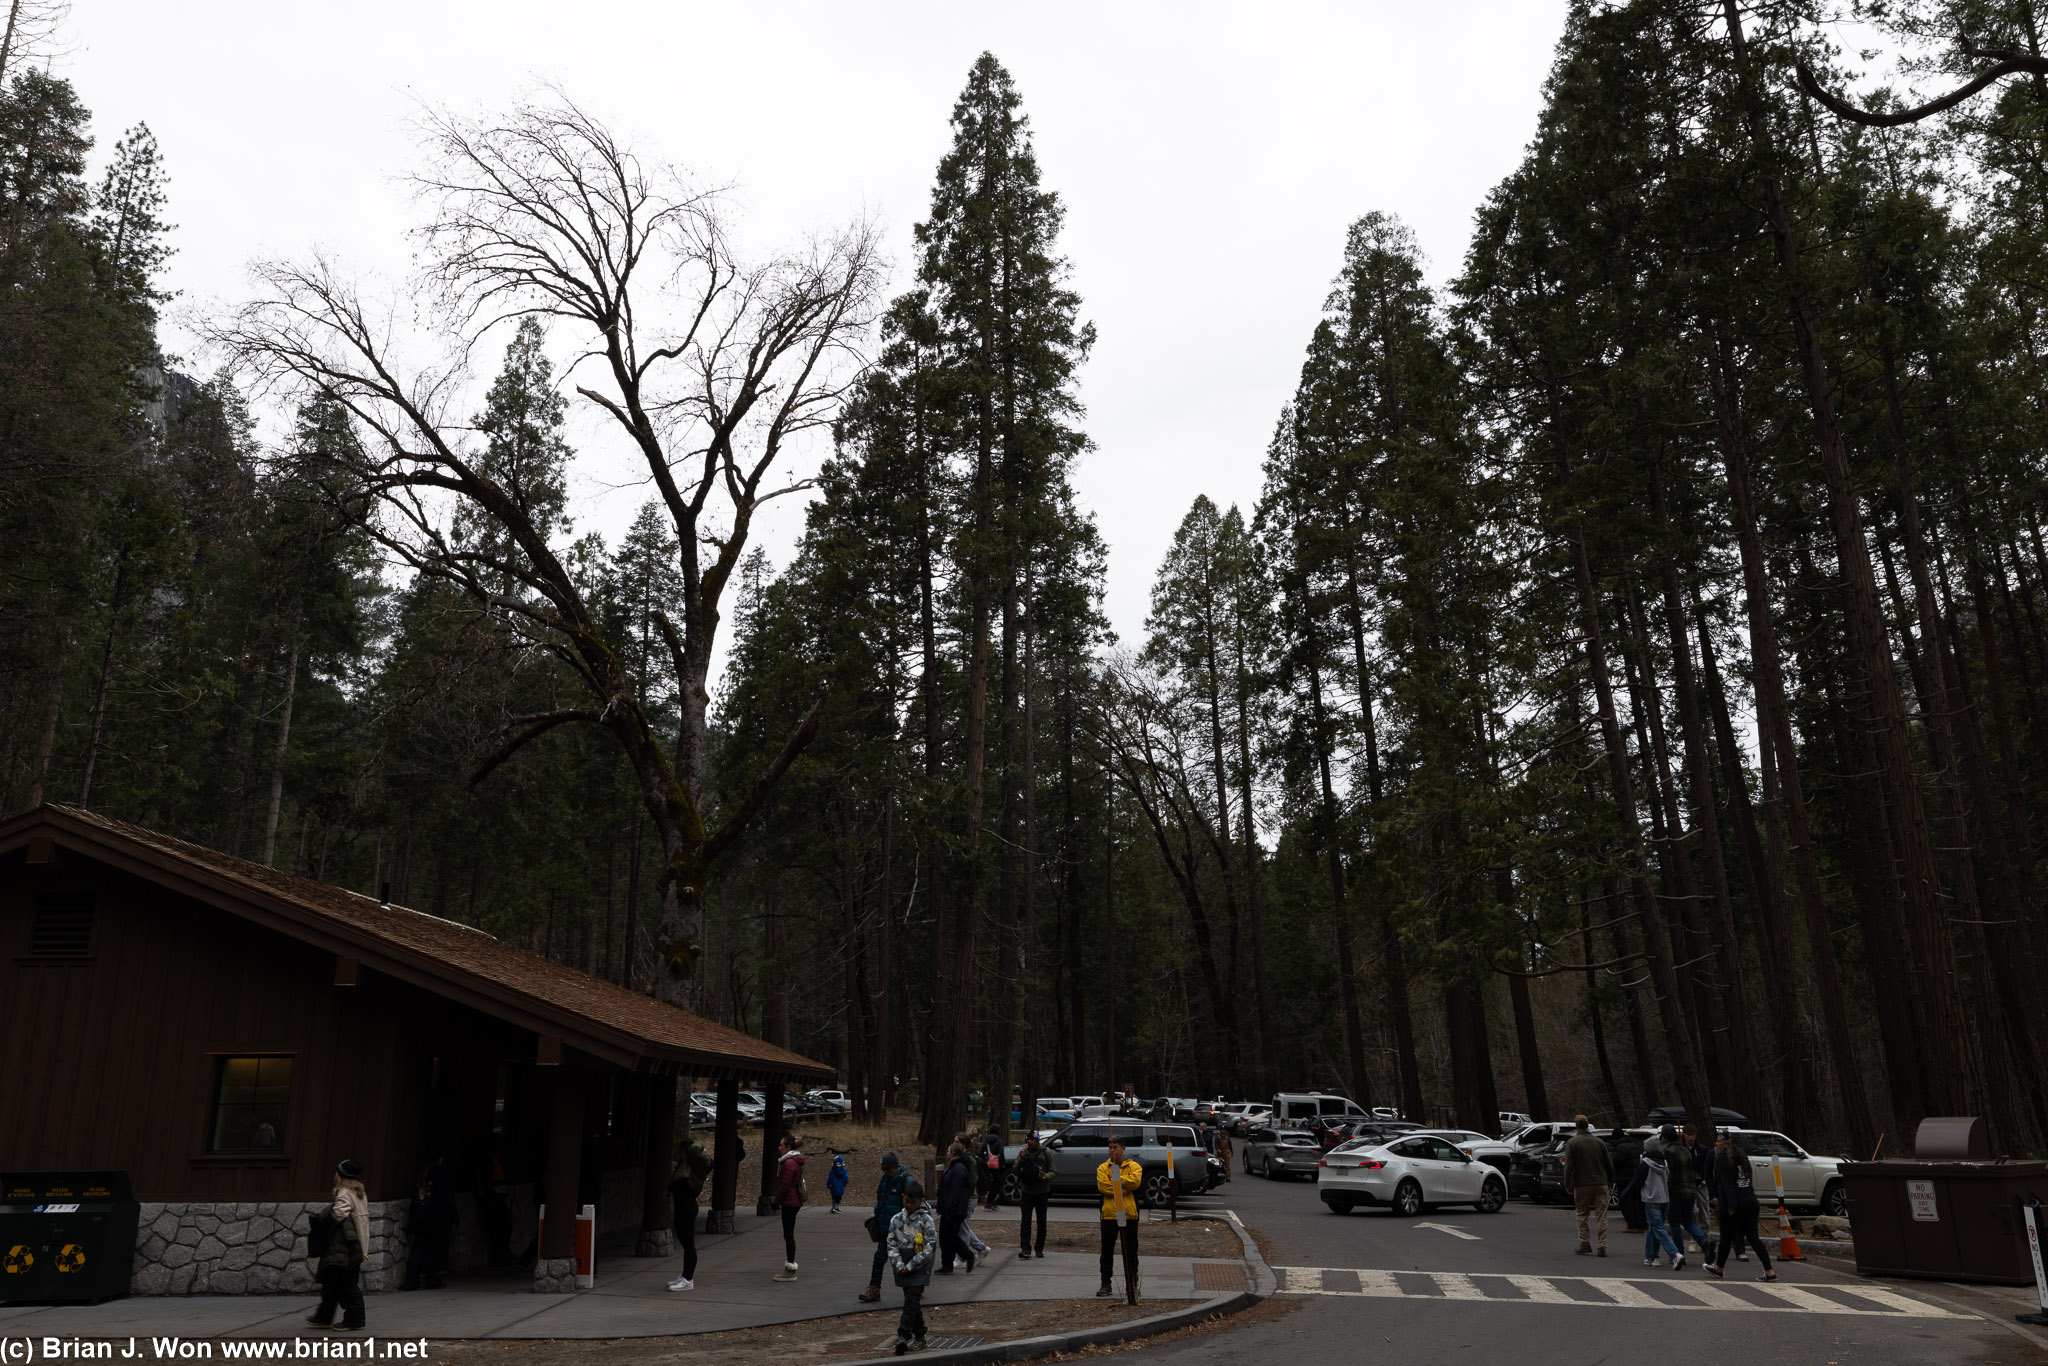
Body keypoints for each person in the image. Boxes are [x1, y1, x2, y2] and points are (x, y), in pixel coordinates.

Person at [307, 1159, 371, 1331]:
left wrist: (324, 1218)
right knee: (333, 1283)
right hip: (357, 1244)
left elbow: (340, 1213)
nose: (334, 1175)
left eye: (336, 1172)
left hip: (346, 1248)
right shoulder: (359, 1192)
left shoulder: (344, 1192)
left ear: (341, 1175)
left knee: (345, 1284)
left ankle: (355, 1320)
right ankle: (324, 1316)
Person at [1708, 1134, 1774, 1280]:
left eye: (1719, 1141)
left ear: (1725, 1144)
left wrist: (1730, 1207)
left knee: (1725, 1237)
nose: (1716, 1143)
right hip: (1750, 1201)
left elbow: (1728, 1185)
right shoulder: (1743, 1159)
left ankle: (1719, 1268)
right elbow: (1748, 1181)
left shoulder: (1723, 1160)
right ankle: (1769, 1271)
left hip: (1735, 1204)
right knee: (1753, 1237)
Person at [887, 1178, 938, 1355]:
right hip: (902, 1266)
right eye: (906, 1201)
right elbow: (891, 1243)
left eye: (913, 1202)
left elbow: (930, 1247)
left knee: (911, 1300)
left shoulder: (926, 1221)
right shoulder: (896, 1220)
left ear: (921, 1201)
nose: (909, 1205)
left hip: (920, 1267)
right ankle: (920, 1334)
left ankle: (902, 1335)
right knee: (912, 1302)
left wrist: (911, 1265)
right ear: (902, 1197)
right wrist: (900, 1264)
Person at [400, 1151, 456, 1291]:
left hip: (419, 1217)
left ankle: (411, 1282)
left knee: (417, 1250)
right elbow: (446, 1197)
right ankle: (433, 1280)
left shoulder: (419, 1175)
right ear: (440, 1159)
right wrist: (453, 1216)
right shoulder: (439, 1174)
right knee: (434, 1249)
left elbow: (414, 1198)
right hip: (435, 1218)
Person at [861, 1150, 910, 1303]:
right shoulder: (884, 1180)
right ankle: (874, 1289)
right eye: (883, 1169)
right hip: (884, 1228)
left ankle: (914, 1288)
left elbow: (913, 1202)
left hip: (900, 1229)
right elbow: (880, 1197)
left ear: (895, 1167)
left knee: (904, 1260)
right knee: (879, 1258)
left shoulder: (905, 1181)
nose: (885, 1172)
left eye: (888, 1169)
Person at [1561, 1116, 1613, 1258]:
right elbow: (1608, 1162)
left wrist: (1567, 1183)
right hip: (1600, 1182)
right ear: (1588, 1126)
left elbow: (1569, 1165)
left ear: (1576, 1126)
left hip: (1582, 1183)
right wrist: (1611, 1179)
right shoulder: (1599, 1142)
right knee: (1602, 1214)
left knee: (1582, 1214)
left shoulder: (1572, 1143)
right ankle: (1602, 1245)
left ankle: (1585, 1242)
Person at [1096, 1137, 1142, 1299]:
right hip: (1109, 1215)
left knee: (1131, 1252)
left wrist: (1116, 1181)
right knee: (1106, 1251)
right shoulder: (1103, 1168)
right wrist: (1123, 1187)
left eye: (1115, 1147)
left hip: (1129, 1215)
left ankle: (1132, 1283)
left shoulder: (1134, 1166)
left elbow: (1135, 1182)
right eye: (1109, 1148)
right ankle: (1105, 1283)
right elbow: (1103, 1187)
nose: (1112, 1150)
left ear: (1123, 1148)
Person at [667, 1136, 710, 1292]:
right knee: (685, 1243)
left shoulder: (694, 1164)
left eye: (681, 1151)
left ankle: (688, 1279)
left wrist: (690, 1147)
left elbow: (694, 1150)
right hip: (682, 1207)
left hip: (688, 1207)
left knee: (689, 1244)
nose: (679, 1154)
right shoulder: (684, 1165)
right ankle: (685, 1275)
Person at [1664, 1124, 1710, 1257]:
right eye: (1688, 1134)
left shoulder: (1670, 1152)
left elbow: (1669, 1173)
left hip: (1679, 1190)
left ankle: (1679, 1252)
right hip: (1690, 1188)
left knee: (1675, 1222)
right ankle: (1703, 1241)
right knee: (1689, 1219)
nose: (1690, 1137)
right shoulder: (1685, 1150)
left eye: (1692, 1135)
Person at [1638, 1139, 1684, 1269]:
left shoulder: (1646, 1163)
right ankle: (1652, 1256)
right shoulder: (1665, 1162)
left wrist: (1625, 1194)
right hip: (1665, 1198)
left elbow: (1637, 1180)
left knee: (1658, 1228)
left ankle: (1674, 1254)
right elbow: (1668, 1181)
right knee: (1654, 1227)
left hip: (1651, 1199)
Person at [936, 1141, 977, 1274]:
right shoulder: (954, 1167)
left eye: (948, 1151)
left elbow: (955, 1191)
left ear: (953, 1153)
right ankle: (947, 1264)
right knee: (945, 1237)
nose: (946, 1153)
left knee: (951, 1236)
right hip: (949, 1208)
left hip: (954, 1210)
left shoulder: (959, 1168)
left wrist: (949, 1208)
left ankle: (968, 1256)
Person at [772, 1132, 805, 1281]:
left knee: (788, 1234)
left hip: (790, 1202)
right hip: (793, 1201)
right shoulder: (793, 1161)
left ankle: (790, 1268)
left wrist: (776, 1202)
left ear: (788, 1147)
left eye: (781, 1145)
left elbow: (784, 1185)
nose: (779, 1148)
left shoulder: (790, 1163)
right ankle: (790, 1266)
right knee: (788, 1234)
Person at [1015, 1132, 1052, 1258]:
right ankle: (1025, 1248)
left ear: (1037, 1141)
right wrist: (1020, 1159)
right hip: (1027, 1192)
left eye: (1032, 1140)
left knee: (1041, 1222)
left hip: (1042, 1192)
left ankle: (1039, 1248)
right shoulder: (1023, 1152)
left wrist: (1045, 1176)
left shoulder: (1046, 1153)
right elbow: (1015, 1170)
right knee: (1026, 1221)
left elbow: (1054, 1171)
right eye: (1028, 1139)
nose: (1029, 1142)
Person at [1610, 1128, 1644, 1232]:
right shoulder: (1634, 1145)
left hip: (1624, 1180)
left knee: (1626, 1203)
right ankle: (1640, 1225)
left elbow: (1615, 1163)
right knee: (1636, 1203)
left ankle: (1631, 1225)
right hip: (1635, 1179)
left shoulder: (1621, 1148)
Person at [978, 1124, 1005, 1212]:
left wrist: (985, 1160)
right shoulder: (999, 1141)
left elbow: (980, 1152)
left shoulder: (986, 1140)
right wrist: (1002, 1163)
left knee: (990, 1182)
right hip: (996, 1165)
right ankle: (989, 1203)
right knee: (996, 1184)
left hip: (987, 1164)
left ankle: (991, 1202)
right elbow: (1001, 1153)